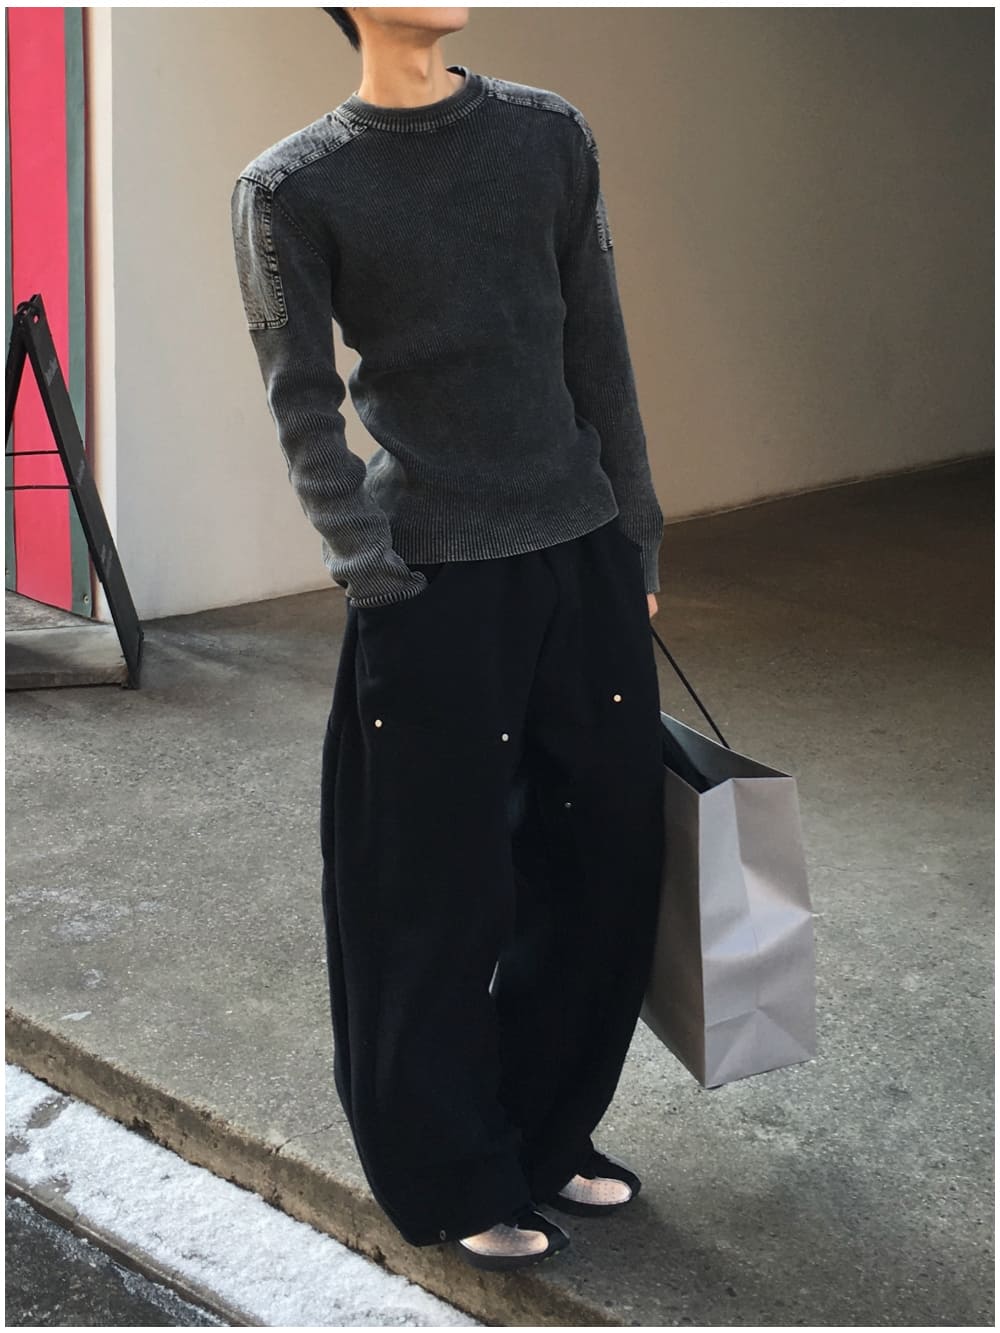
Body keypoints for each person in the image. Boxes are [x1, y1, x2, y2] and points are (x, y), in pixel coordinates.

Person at [230, 5, 666, 1272]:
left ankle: (545, 1130)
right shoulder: (289, 188)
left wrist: (634, 535)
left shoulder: (546, 135)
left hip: (578, 551)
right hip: (430, 575)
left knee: (603, 870)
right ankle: (449, 1169)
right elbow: (300, 397)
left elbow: (596, 337)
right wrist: (368, 568)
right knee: (428, 895)